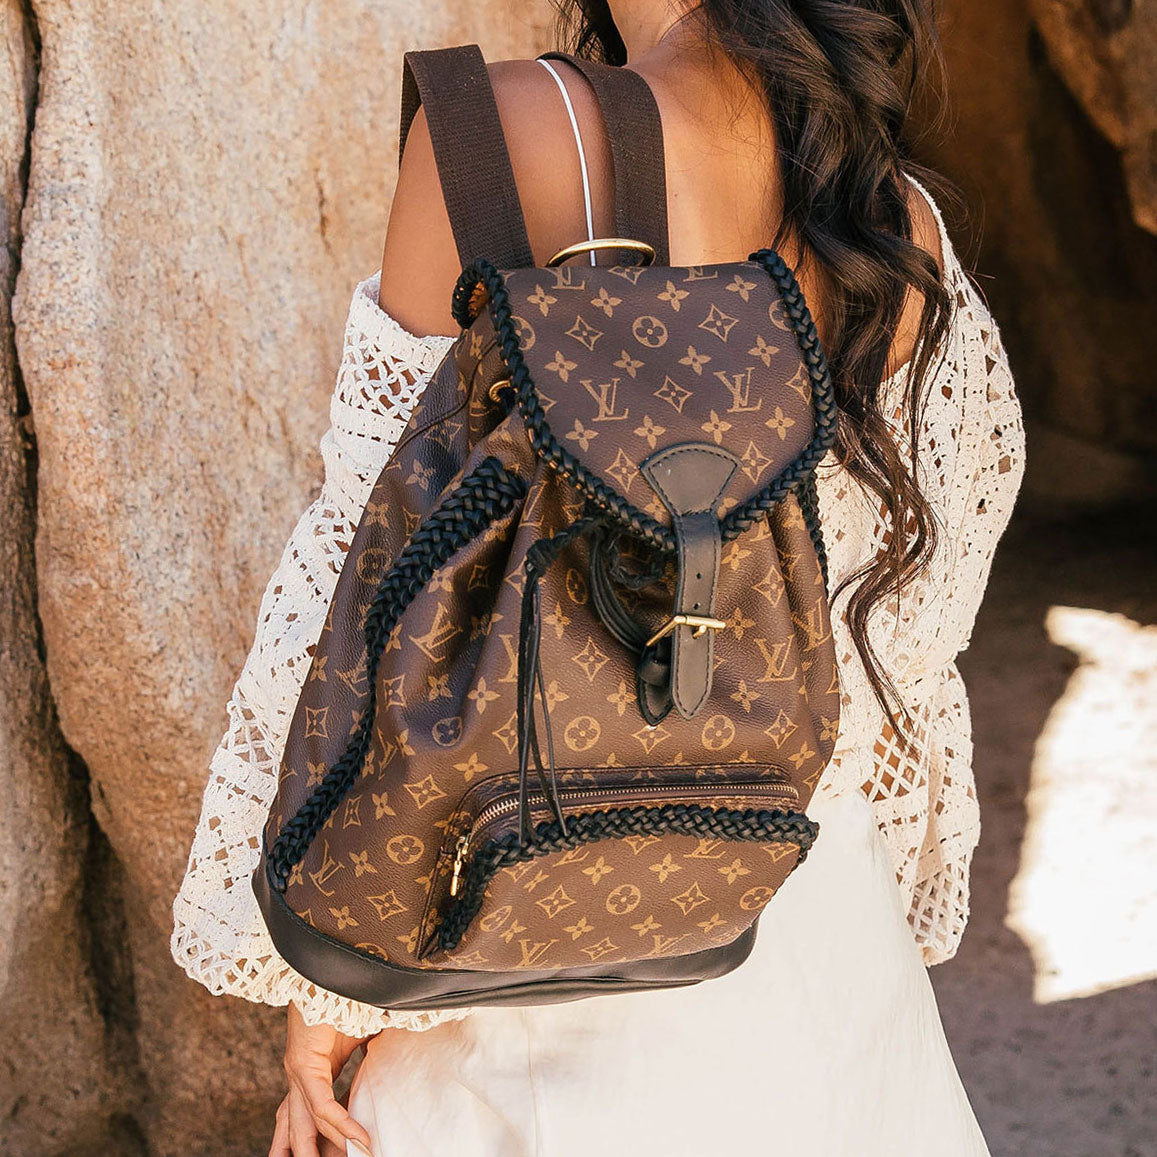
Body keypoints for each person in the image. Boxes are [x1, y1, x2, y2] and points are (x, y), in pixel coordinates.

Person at [170, 2, 1026, 1154]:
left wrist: (326, 985)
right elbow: (914, 623)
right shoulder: (890, 211)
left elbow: (371, 578)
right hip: (815, 926)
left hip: (518, 917)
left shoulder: (518, 132)